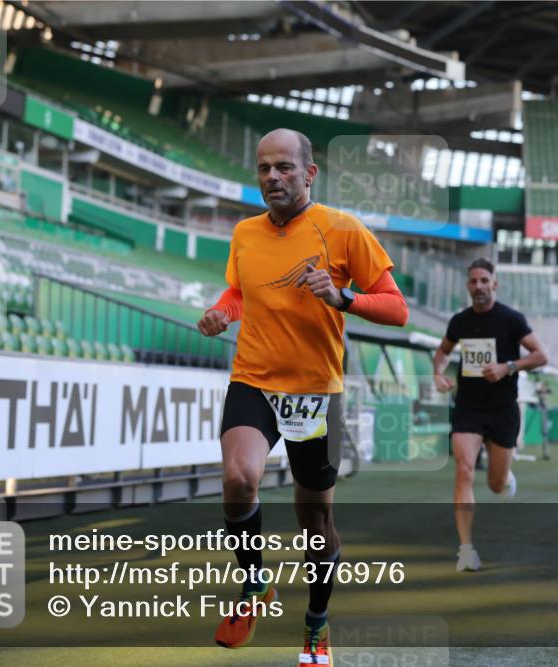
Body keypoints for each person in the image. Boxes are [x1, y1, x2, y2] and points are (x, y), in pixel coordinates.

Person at [197, 128, 408, 667]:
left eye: (284, 167)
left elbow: (396, 308)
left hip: (316, 393)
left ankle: (316, 623)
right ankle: (255, 586)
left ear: (309, 173)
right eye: (265, 167)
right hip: (253, 379)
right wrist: (224, 312)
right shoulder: (245, 232)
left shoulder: (342, 229)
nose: (273, 177)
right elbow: (239, 290)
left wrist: (343, 297)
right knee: (239, 478)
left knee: (314, 523)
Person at [432, 258, 547, 572]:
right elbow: (442, 352)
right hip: (468, 408)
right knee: (464, 470)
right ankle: (466, 550)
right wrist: (439, 374)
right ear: (468, 286)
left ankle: (505, 477)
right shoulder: (460, 321)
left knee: (495, 484)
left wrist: (508, 366)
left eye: (484, 280)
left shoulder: (511, 320)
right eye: (473, 281)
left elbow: (540, 355)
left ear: (494, 284)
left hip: (502, 411)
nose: (479, 286)